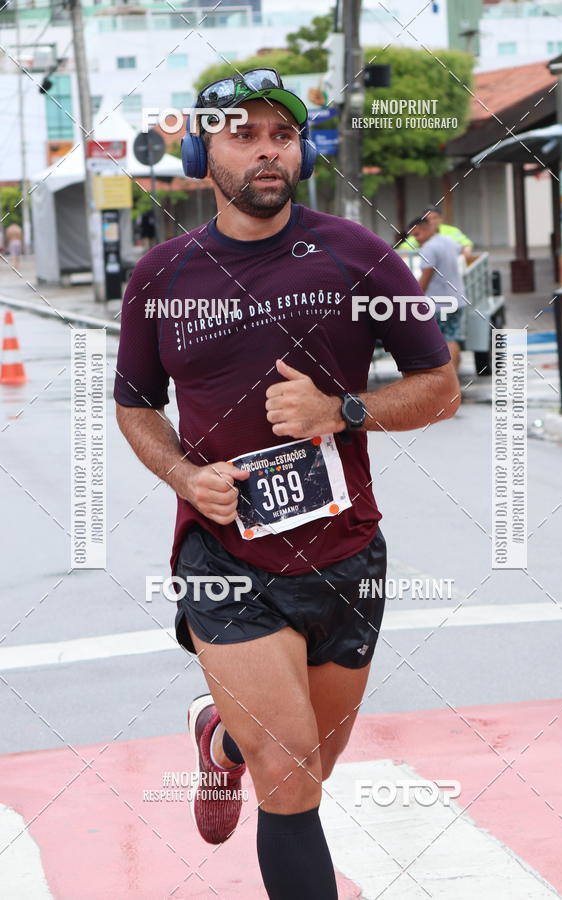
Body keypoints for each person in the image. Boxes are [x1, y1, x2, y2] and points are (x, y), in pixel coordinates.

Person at [114, 67, 459, 899]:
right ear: (202, 153)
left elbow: (441, 389)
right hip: (225, 557)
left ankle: (220, 743)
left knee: (313, 760)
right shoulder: (161, 277)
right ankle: (248, 748)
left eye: (282, 136)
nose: (268, 151)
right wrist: (184, 476)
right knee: (292, 772)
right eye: (244, 135)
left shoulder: (358, 254)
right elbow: (134, 405)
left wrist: (342, 409)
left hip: (344, 554)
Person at [405, 214, 467, 372]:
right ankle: (455, 377)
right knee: (452, 339)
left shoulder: (429, 248)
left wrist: (414, 300)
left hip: (438, 303)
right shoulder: (449, 241)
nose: (416, 239)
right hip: (457, 299)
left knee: (442, 342)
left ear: (426, 228)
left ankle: (448, 379)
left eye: (417, 234)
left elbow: (425, 278)